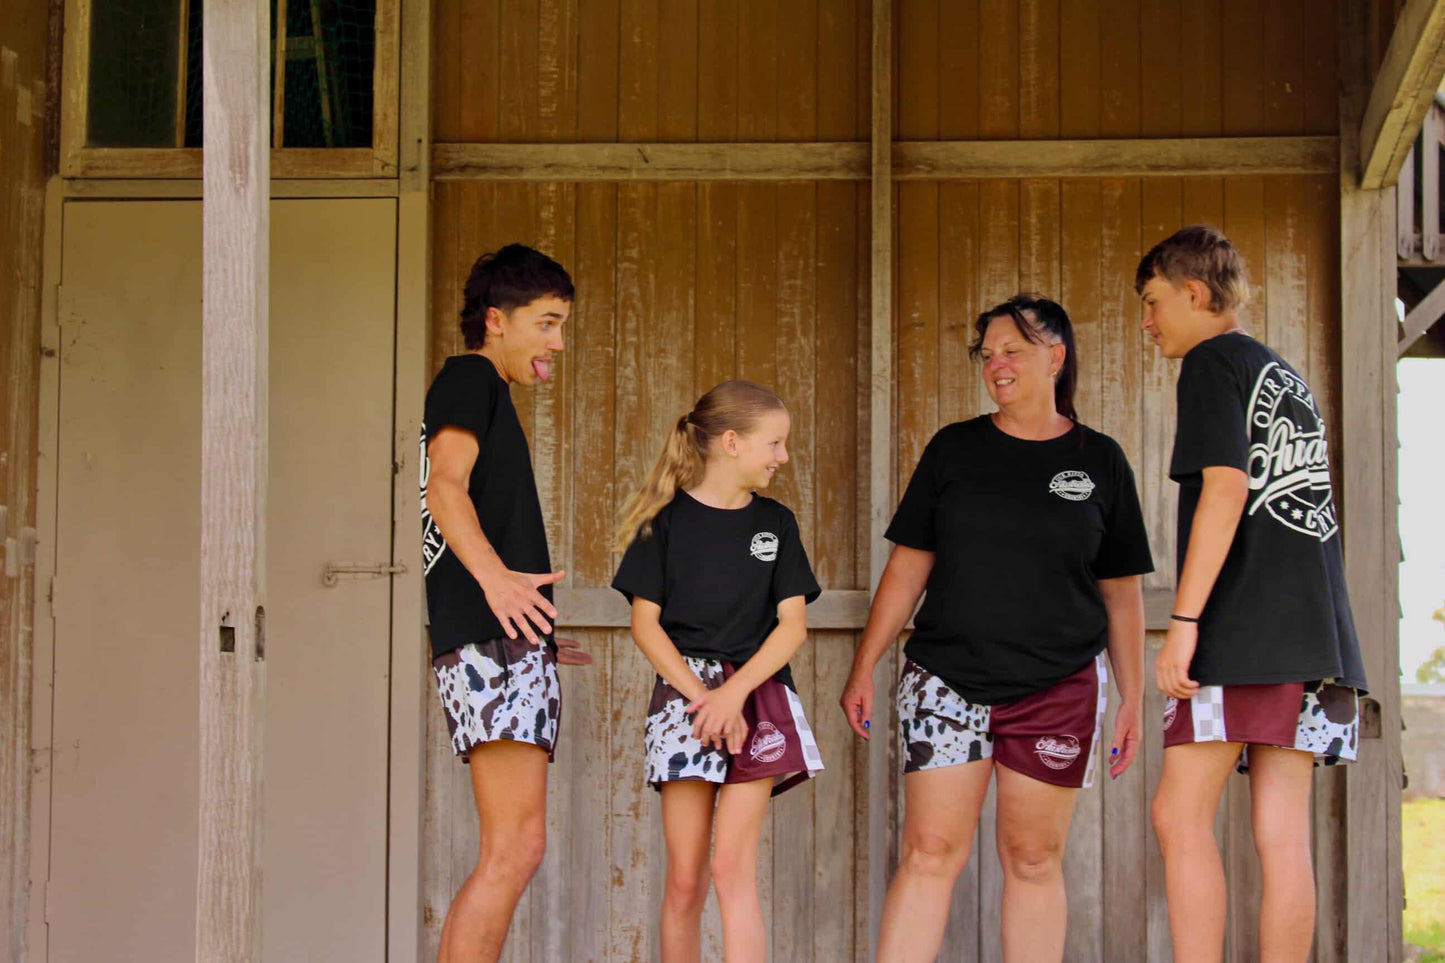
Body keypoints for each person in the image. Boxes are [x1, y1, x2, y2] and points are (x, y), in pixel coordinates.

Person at [840, 296, 1154, 962]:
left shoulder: (1100, 460)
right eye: (986, 354)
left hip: (1058, 688)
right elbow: (908, 566)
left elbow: (1121, 592)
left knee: (1034, 857)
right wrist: (863, 665)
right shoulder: (954, 449)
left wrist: (1132, 696)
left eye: (1012, 350)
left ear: (1055, 356)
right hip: (945, 683)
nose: (996, 365)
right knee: (929, 851)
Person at [1139, 226, 1367, 963]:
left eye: (1152, 301)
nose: (1146, 322)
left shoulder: (1211, 363)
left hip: (1242, 635)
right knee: (1283, 834)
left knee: (1177, 815)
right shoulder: (1282, 374)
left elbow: (1226, 488)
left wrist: (1184, 621)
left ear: (1193, 293)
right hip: (1317, 639)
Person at [611, 380, 824, 963]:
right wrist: (705, 699)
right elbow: (645, 626)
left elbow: (792, 628)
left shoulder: (777, 523)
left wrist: (733, 696)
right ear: (731, 442)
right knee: (686, 879)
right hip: (685, 702)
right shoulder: (663, 523)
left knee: (732, 871)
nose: (783, 456)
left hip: (757, 699)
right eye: (774, 443)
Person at [420, 243, 591, 963]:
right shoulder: (469, 377)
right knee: (514, 847)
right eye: (546, 323)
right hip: (489, 641)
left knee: (515, 845)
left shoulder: (485, 390)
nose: (557, 342)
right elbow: (443, 487)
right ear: (496, 319)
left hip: (503, 641)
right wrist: (498, 585)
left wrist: (533, 630)